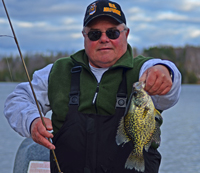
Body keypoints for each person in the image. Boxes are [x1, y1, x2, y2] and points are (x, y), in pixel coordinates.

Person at [4, 0, 181, 172]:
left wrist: (165, 71)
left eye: (113, 33)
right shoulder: (59, 71)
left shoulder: (143, 69)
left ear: (126, 34)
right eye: (95, 34)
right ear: (84, 36)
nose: (104, 39)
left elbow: (169, 92)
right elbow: (17, 99)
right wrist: (32, 121)